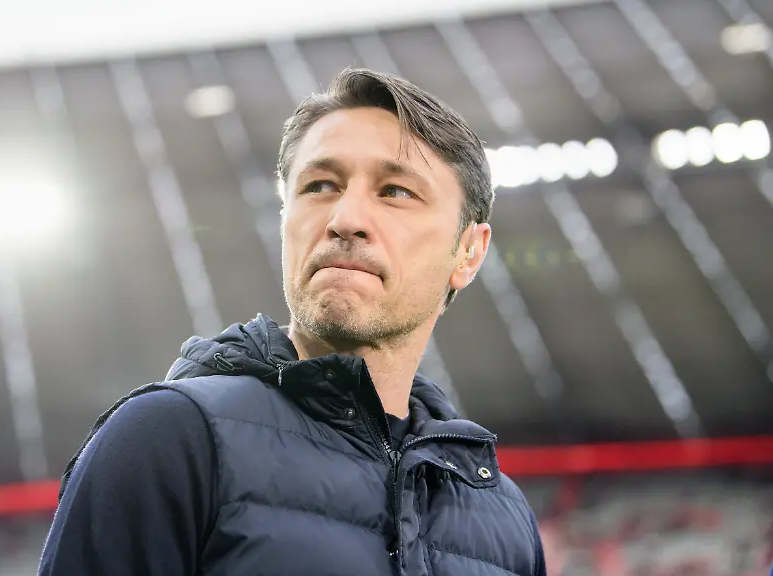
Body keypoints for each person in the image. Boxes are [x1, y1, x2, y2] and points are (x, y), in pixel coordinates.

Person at [39, 67, 547, 576]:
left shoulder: (506, 517)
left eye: (396, 191)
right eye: (320, 185)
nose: (345, 219)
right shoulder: (167, 437)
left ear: (469, 251)